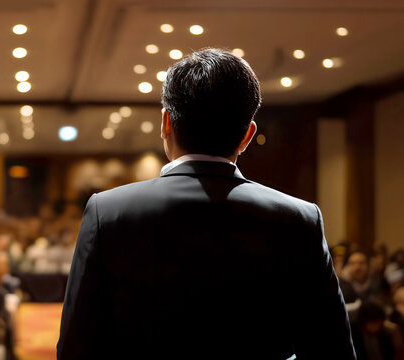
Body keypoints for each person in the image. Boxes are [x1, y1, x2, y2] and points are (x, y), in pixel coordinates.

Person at [57, 48, 356, 359]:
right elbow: (332, 350)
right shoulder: (299, 218)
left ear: (166, 123)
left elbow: (76, 347)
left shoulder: (108, 211)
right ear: (247, 135)